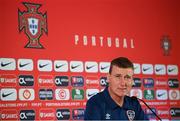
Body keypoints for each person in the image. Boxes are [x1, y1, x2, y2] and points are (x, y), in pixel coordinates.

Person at [84, 57, 149, 120]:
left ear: (132, 81)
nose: (123, 83)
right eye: (118, 76)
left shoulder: (134, 103)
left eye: (127, 77)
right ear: (108, 78)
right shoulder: (95, 103)